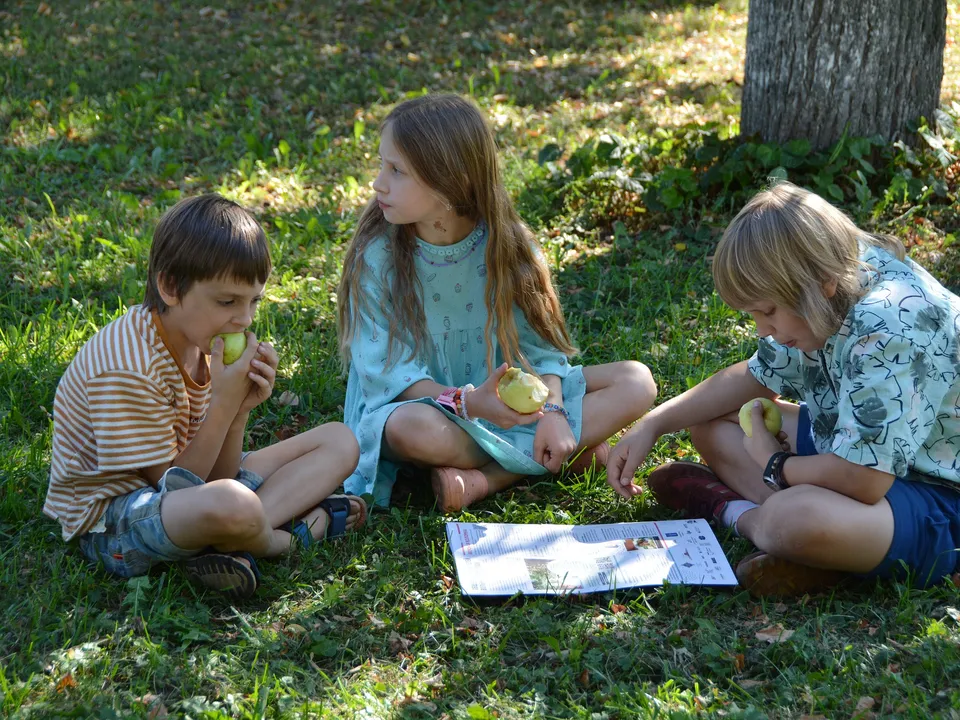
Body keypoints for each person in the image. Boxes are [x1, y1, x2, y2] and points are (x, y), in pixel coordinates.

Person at [607, 181, 960, 597]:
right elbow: (754, 377)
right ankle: (821, 553)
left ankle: (739, 514)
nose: (763, 330)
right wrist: (654, 423)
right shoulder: (835, 280)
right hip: (866, 451)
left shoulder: (889, 326)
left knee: (794, 519)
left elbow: (863, 480)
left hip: (939, 492)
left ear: (822, 283)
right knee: (711, 422)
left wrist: (776, 465)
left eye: (768, 311)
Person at [337, 93, 656, 511]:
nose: (379, 182)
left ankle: (487, 480)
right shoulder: (377, 258)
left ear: (451, 181)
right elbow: (391, 379)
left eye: (396, 170)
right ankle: (564, 453)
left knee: (637, 381)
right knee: (409, 429)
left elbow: (538, 350)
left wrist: (556, 411)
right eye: (383, 165)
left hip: (510, 400)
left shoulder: (507, 246)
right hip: (430, 408)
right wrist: (470, 404)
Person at [44, 194, 365, 599]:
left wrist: (238, 412)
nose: (245, 319)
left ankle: (234, 536)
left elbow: (217, 477)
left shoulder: (197, 341)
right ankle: (281, 540)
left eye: (253, 302)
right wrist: (224, 405)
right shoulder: (128, 368)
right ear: (170, 286)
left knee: (340, 439)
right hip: (113, 522)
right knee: (232, 504)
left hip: (191, 491)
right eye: (227, 301)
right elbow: (175, 489)